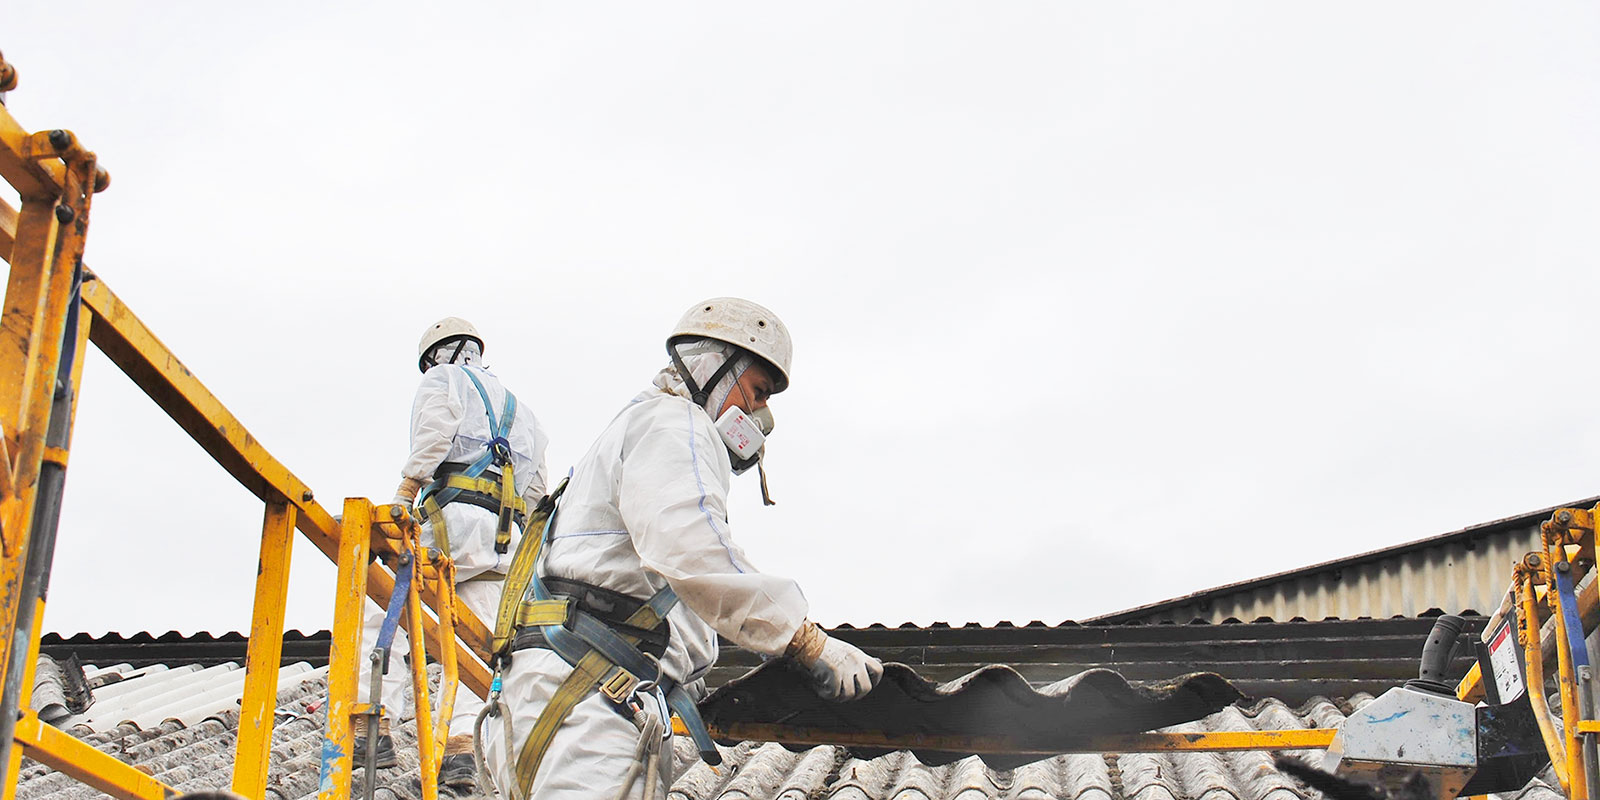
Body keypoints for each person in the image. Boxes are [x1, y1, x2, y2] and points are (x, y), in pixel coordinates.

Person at [481, 298, 881, 800]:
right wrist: (802, 639)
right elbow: (693, 549)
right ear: (712, 366)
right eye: (757, 392)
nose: (760, 415)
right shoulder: (675, 424)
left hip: (559, 700)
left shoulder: (635, 428)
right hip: (587, 714)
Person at [357, 317, 550, 789]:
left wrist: (404, 495)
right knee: (472, 648)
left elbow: (434, 433)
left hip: (451, 526)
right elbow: (538, 491)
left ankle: (372, 722)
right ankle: (462, 748)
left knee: (377, 598)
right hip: (502, 544)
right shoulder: (524, 412)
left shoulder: (443, 380)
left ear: (434, 357)